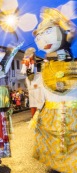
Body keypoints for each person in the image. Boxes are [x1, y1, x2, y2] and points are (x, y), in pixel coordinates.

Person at [30, 8, 77, 173]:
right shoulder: (44, 67)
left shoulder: (70, 64)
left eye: (49, 32)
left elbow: (72, 31)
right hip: (52, 114)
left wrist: (62, 20)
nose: (44, 39)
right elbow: (38, 92)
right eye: (39, 36)